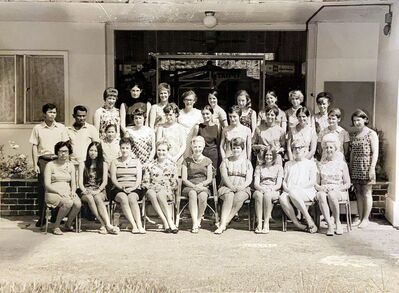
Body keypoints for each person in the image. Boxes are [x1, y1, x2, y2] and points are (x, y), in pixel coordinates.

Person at [29, 103, 69, 227]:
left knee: (58, 187)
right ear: (44, 114)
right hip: (44, 160)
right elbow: (34, 146)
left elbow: (66, 146)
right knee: (43, 188)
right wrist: (35, 164)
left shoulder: (61, 128)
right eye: (50, 112)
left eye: (54, 112)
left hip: (58, 160)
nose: (53, 115)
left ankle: (57, 217)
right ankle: (42, 218)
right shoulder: (38, 128)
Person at [214, 137, 253, 234]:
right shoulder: (225, 161)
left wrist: (241, 187)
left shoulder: (247, 162)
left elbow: (249, 179)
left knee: (239, 197)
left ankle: (223, 223)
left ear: (242, 149)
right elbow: (224, 176)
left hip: (242, 188)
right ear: (231, 149)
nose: (236, 150)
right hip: (227, 186)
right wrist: (231, 186)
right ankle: (223, 223)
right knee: (229, 195)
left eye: (238, 148)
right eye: (234, 148)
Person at [79, 142, 119, 234]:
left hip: (100, 190)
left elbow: (105, 181)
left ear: (99, 152)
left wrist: (97, 191)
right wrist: (85, 191)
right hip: (86, 191)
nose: (93, 153)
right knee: (89, 197)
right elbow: (80, 183)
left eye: (95, 151)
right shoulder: (83, 164)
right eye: (91, 150)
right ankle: (106, 225)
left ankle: (106, 224)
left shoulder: (104, 164)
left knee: (97, 197)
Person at [279, 138, 318, 233]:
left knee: (293, 193)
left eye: (300, 148)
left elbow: (313, 181)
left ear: (305, 150)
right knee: (282, 197)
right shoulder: (288, 164)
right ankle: (298, 224)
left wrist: (299, 188)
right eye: (295, 148)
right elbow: (284, 180)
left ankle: (308, 219)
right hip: (290, 191)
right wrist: (286, 188)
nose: (297, 150)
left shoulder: (311, 163)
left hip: (306, 191)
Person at [316, 134, 351, 236]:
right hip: (324, 189)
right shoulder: (321, 165)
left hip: (339, 191)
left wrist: (337, 189)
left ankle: (337, 222)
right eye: (326, 148)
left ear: (335, 149)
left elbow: (348, 183)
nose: (328, 150)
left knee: (332, 194)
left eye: (331, 147)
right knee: (321, 195)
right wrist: (320, 188)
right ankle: (330, 225)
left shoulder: (342, 164)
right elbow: (316, 183)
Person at [44, 141, 81, 235]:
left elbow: (73, 183)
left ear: (69, 153)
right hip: (53, 192)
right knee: (68, 203)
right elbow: (47, 184)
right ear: (57, 152)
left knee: (77, 204)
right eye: (61, 151)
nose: (63, 154)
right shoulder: (50, 165)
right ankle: (56, 226)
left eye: (66, 151)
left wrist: (73, 191)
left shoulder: (71, 166)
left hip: (67, 191)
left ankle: (67, 225)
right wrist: (58, 192)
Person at [349, 109, 379, 229]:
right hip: (356, 165)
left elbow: (375, 152)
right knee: (359, 193)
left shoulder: (371, 133)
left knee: (367, 192)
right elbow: (351, 153)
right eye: (354, 120)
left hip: (366, 165)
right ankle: (360, 218)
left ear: (365, 120)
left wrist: (372, 168)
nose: (357, 123)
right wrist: (351, 167)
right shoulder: (355, 135)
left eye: (359, 120)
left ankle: (366, 219)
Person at [110, 138, 146, 234]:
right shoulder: (114, 162)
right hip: (118, 189)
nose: (125, 150)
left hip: (134, 188)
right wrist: (121, 188)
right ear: (120, 149)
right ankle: (133, 225)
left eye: (127, 148)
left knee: (131, 198)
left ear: (131, 149)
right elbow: (113, 179)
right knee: (123, 198)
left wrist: (132, 188)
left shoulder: (137, 162)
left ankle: (139, 224)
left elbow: (139, 179)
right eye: (123, 148)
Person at [142, 140, 179, 233]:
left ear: (167, 151)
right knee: (151, 193)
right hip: (152, 189)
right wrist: (153, 187)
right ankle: (165, 221)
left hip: (166, 190)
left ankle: (170, 222)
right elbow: (145, 182)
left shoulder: (172, 165)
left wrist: (163, 188)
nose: (161, 152)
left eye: (163, 150)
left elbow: (174, 183)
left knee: (161, 194)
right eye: (159, 150)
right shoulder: (150, 165)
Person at [181, 136, 213, 233]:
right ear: (191, 147)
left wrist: (201, 185)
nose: (197, 149)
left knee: (203, 196)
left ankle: (199, 218)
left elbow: (209, 179)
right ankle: (194, 222)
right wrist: (193, 186)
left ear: (203, 147)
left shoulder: (208, 161)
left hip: (203, 186)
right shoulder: (186, 160)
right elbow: (184, 179)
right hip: (189, 186)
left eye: (199, 146)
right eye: (195, 147)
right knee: (192, 194)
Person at [253, 147, 283, 234]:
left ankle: (266, 224)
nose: (268, 157)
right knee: (258, 195)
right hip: (260, 188)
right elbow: (256, 184)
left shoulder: (279, 168)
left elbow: (278, 185)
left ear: (274, 156)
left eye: (270, 155)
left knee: (267, 195)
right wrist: (262, 189)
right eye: (266, 154)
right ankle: (259, 223)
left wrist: (270, 189)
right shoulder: (259, 167)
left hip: (273, 190)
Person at [178, 90, 203, 158]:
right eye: (186, 100)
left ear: (194, 101)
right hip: (181, 142)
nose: (188, 102)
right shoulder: (179, 113)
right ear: (183, 101)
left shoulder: (199, 113)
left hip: (194, 144)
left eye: (190, 100)